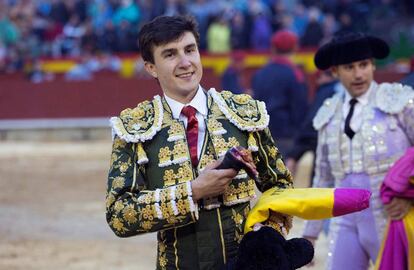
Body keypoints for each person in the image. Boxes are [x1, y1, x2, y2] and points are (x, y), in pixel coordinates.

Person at [106, 15, 293, 270]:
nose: (185, 63)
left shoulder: (243, 114)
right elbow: (119, 215)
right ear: (151, 67)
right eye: (170, 54)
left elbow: (280, 186)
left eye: (190, 50)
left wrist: (268, 234)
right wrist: (193, 192)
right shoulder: (135, 129)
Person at [302, 32, 414, 270]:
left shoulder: (398, 101)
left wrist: (409, 197)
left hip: (393, 215)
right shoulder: (329, 112)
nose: (359, 74)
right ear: (335, 72)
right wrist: (310, 233)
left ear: (373, 65)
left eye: (364, 65)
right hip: (345, 221)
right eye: (349, 67)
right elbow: (323, 176)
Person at [252, 29, 308, 156]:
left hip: (262, 134)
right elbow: (300, 108)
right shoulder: (295, 74)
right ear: (295, 48)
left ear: (273, 48)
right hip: (286, 136)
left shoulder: (261, 73)